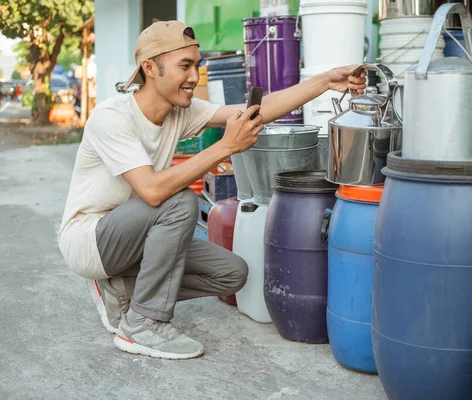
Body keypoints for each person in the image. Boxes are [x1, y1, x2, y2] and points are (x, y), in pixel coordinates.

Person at [58, 20, 366, 360]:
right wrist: (224, 148)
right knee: (179, 202)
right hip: (91, 239)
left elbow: (255, 113)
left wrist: (325, 82)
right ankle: (143, 325)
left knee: (231, 274)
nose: (194, 77)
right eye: (185, 66)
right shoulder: (112, 117)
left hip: (135, 233)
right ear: (149, 67)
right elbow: (152, 191)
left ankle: (120, 288)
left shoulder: (179, 112)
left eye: (197, 66)